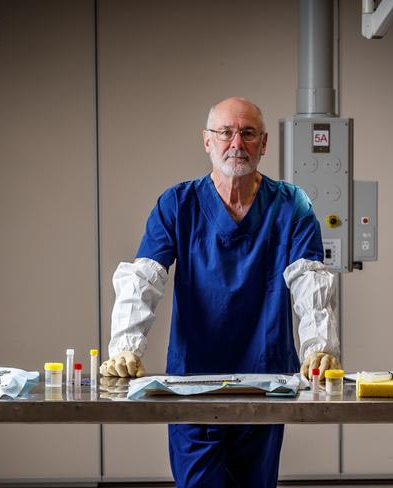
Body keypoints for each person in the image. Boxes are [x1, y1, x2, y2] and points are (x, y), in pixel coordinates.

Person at [100, 97, 340, 487]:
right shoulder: (178, 204)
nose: (236, 143)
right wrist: (125, 346)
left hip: (267, 381)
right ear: (207, 141)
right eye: (225, 133)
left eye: (247, 134)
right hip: (191, 384)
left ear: (263, 144)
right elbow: (144, 278)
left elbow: (310, 280)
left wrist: (320, 348)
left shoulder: (292, 205)